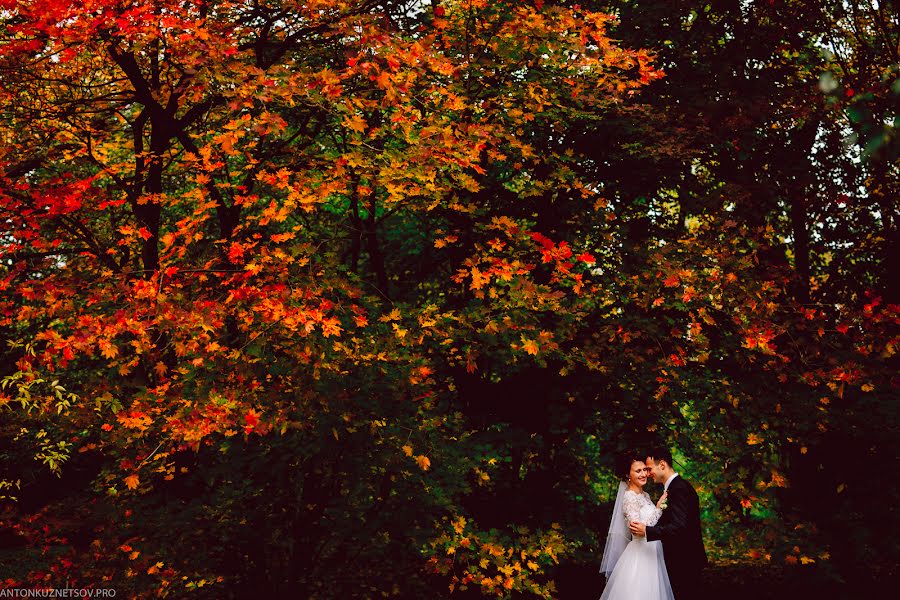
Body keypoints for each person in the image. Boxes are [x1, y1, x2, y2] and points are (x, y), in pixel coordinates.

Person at [629, 447, 707, 599]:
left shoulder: (679, 489)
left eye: (650, 468)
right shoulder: (674, 488)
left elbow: (679, 527)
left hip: (684, 561)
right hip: (680, 560)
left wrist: (647, 531)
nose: (647, 473)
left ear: (662, 465)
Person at [599, 453, 674, 600]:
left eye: (645, 470)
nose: (644, 474)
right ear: (628, 474)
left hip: (653, 552)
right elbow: (637, 530)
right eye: (638, 471)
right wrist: (658, 509)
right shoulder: (629, 497)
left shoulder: (644, 495)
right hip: (641, 554)